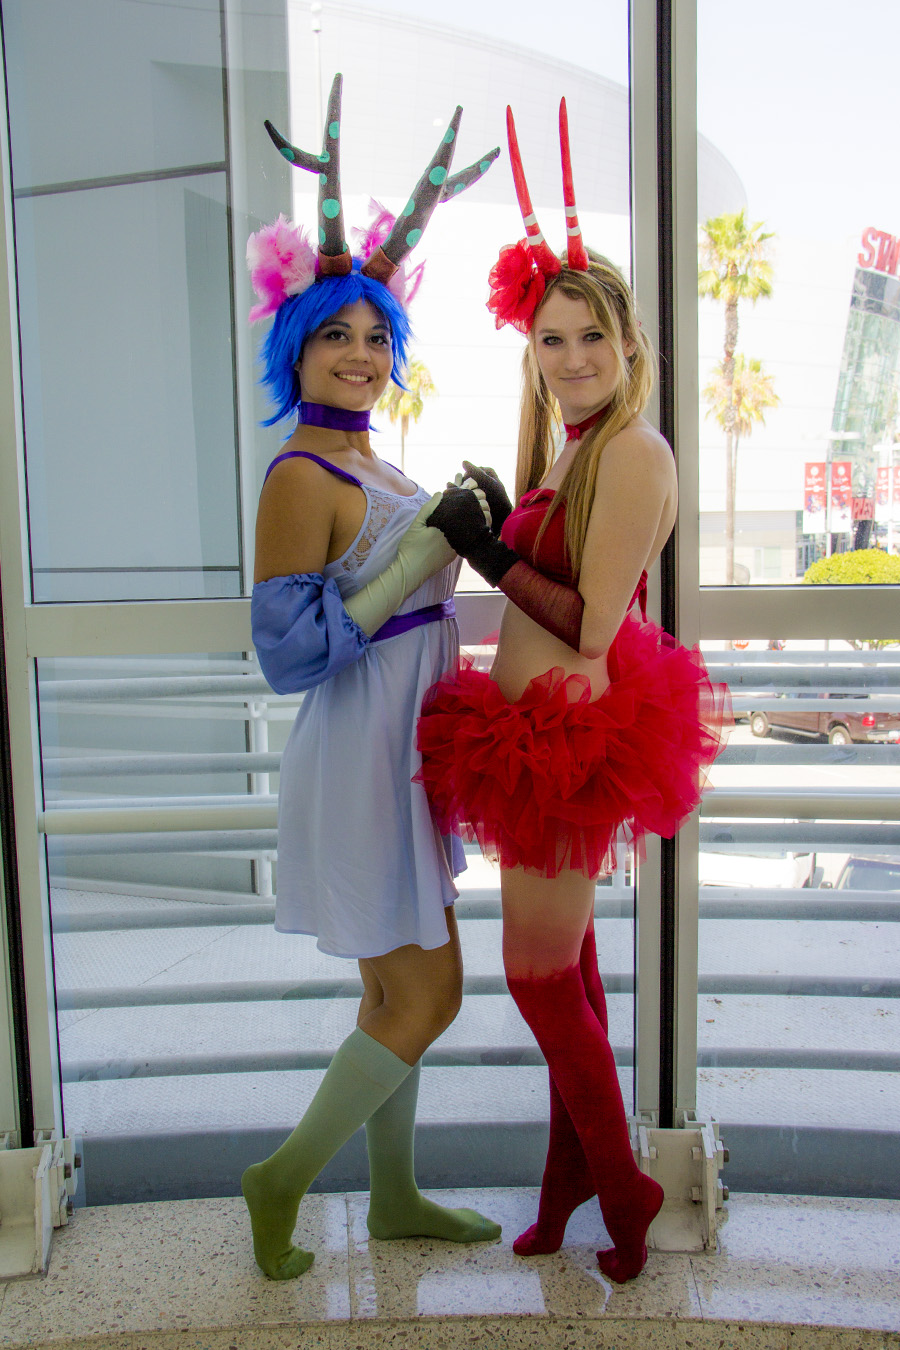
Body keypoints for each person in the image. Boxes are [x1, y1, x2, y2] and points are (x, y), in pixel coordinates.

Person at [416, 101, 731, 1283]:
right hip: (535, 735)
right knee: (576, 974)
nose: (572, 357)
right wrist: (512, 518)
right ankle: (569, 1183)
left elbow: (593, 623)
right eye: (551, 339)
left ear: (629, 342)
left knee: (538, 977)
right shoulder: (582, 444)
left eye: (590, 336)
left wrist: (487, 550)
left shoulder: (634, 450)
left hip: (566, 743)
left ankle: (626, 1184)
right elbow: (566, 572)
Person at [243, 74, 501, 1280]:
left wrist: (463, 526)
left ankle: (392, 1195)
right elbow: (288, 655)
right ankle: (281, 1178)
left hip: (404, 753)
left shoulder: (374, 460)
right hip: (357, 756)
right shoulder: (301, 475)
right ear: (295, 347)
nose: (361, 353)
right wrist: (414, 557)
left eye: (377, 335)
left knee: (392, 999)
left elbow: (425, 578)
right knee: (431, 994)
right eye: (336, 334)